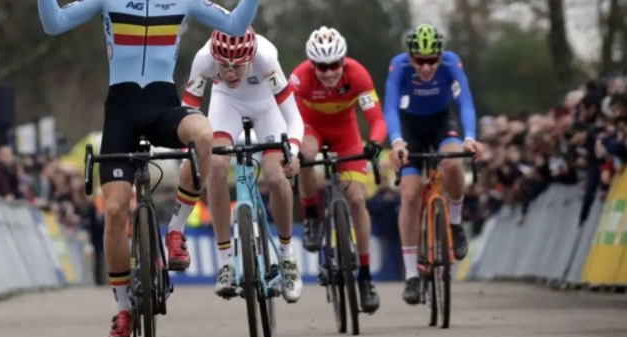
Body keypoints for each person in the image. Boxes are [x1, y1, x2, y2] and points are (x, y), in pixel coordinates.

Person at [26, 0, 277, 337]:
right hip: (121, 110)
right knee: (117, 212)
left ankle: (175, 231)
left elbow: (235, 26)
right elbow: (54, 24)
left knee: (205, 134)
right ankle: (123, 308)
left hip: (163, 103)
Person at [168, 27, 304, 303]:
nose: (229, 72)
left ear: (250, 56)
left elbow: (294, 118)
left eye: (237, 66)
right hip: (226, 104)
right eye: (224, 65)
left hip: (267, 107)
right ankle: (226, 262)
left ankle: (287, 258)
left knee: (276, 177)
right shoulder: (204, 57)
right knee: (215, 166)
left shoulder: (266, 57)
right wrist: (189, 154)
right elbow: (189, 109)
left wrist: (293, 151)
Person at [289, 26, 387, 315]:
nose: (329, 72)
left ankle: (366, 277)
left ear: (343, 61)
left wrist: (375, 143)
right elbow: (287, 116)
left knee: (356, 200)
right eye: (322, 66)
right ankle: (310, 215)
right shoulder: (299, 77)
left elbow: (377, 119)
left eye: (334, 65)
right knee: (305, 154)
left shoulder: (357, 74)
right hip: (310, 128)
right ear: (311, 64)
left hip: (346, 135)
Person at [383, 23, 482, 306]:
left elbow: (466, 103)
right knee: (411, 194)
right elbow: (389, 106)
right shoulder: (399, 66)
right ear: (410, 56)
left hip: (441, 122)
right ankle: (412, 275)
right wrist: (398, 141)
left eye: (431, 60)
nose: (426, 67)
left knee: (452, 164)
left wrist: (471, 138)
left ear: (440, 55)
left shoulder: (451, 62)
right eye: (420, 61)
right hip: (409, 127)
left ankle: (455, 222)